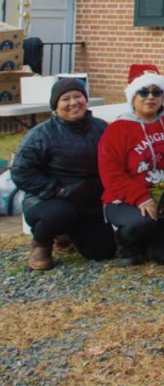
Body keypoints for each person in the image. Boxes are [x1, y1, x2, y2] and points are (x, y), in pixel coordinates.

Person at [12, 78, 114, 270]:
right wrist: (56, 189)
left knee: (102, 252)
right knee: (59, 214)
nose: (74, 102)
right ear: (55, 106)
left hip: (89, 203)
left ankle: (68, 236)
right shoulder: (41, 134)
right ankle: (42, 243)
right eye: (65, 99)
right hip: (49, 200)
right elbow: (21, 172)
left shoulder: (102, 128)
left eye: (78, 96)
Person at [98, 66, 164, 266]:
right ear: (133, 96)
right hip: (127, 200)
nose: (150, 97)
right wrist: (141, 197)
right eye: (143, 92)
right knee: (141, 222)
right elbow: (111, 175)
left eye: (156, 92)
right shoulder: (117, 129)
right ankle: (126, 244)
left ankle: (148, 240)